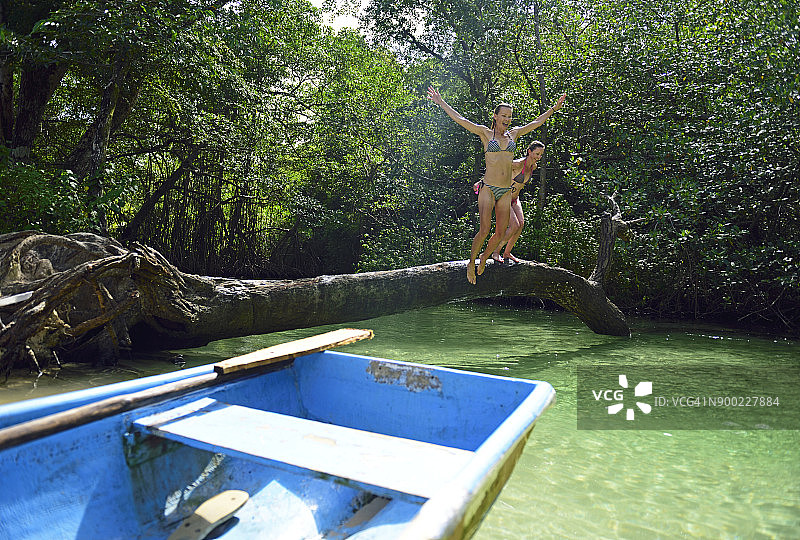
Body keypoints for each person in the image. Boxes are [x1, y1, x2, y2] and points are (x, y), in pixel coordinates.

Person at [427, 86, 564, 283]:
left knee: (501, 234)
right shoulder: (485, 134)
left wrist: (553, 109)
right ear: (496, 116)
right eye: (504, 116)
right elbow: (461, 120)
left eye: (510, 116)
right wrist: (441, 103)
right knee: (484, 230)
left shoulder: (514, 135)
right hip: (488, 188)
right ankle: (472, 262)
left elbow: (535, 123)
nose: (507, 120)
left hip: (505, 191)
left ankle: (485, 256)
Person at [477, 140, 545, 263]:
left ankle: (507, 252)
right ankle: (494, 252)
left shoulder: (533, 166)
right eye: (536, 154)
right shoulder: (518, 164)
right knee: (514, 225)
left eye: (540, 155)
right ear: (529, 152)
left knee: (521, 224)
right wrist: (482, 182)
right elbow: (498, 168)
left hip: (515, 198)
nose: (538, 157)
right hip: (504, 197)